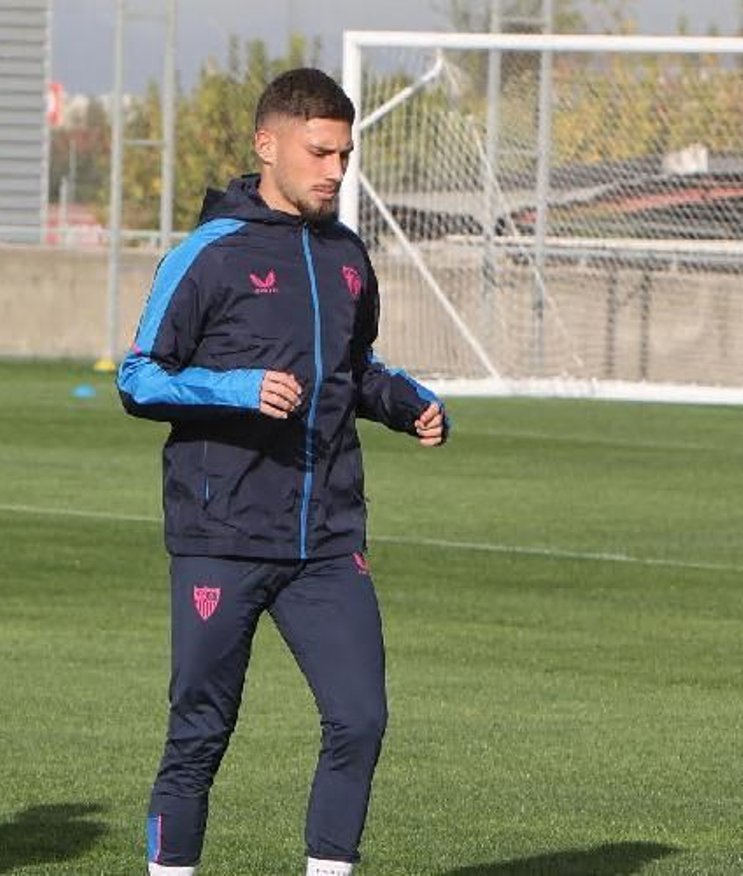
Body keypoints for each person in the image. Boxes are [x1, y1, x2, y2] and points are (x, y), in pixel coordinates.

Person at [117, 68, 449, 876]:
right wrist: (233, 389)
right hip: (221, 534)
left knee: (359, 718)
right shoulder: (206, 254)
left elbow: (352, 367)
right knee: (200, 730)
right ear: (268, 145)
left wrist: (405, 400)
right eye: (320, 152)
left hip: (328, 540)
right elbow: (139, 375)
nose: (336, 170)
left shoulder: (347, 255)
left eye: (345, 152)